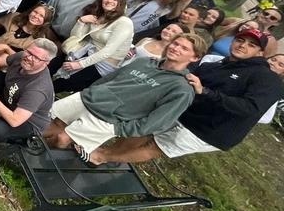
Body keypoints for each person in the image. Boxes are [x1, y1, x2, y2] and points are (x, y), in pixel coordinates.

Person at [82, 29, 284, 165]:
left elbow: (250, 108)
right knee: (145, 129)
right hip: (186, 111)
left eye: (251, 44)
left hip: (210, 130)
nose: (243, 45)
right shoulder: (216, 64)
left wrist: (206, 92)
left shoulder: (266, 78)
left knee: (156, 146)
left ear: (260, 51)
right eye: (240, 40)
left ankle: (102, 157)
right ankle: (109, 152)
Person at [43, 34, 207, 163]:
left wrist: (120, 129)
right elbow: (112, 77)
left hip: (109, 120)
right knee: (50, 123)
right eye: (176, 43)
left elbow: (158, 121)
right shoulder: (144, 62)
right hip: (87, 99)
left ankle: (34, 159)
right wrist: (92, 91)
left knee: (61, 140)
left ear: (194, 58)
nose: (176, 48)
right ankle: (22, 143)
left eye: (184, 49)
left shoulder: (182, 88)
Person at [0, 39, 58, 149]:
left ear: (46, 63)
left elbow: (15, 120)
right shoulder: (22, 56)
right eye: (29, 52)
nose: (28, 57)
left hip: (28, 122)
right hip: (13, 97)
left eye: (36, 57)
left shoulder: (38, 89)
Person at [52, 0, 134, 94]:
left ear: (121, 4)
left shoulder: (124, 22)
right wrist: (81, 21)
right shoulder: (99, 16)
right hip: (86, 51)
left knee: (58, 85)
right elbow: (76, 36)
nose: (109, 1)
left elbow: (108, 51)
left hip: (102, 64)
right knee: (52, 65)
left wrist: (81, 64)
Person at [122, 23, 191, 66]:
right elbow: (130, 50)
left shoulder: (169, 54)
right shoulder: (146, 40)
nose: (168, 31)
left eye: (174, 32)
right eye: (167, 28)